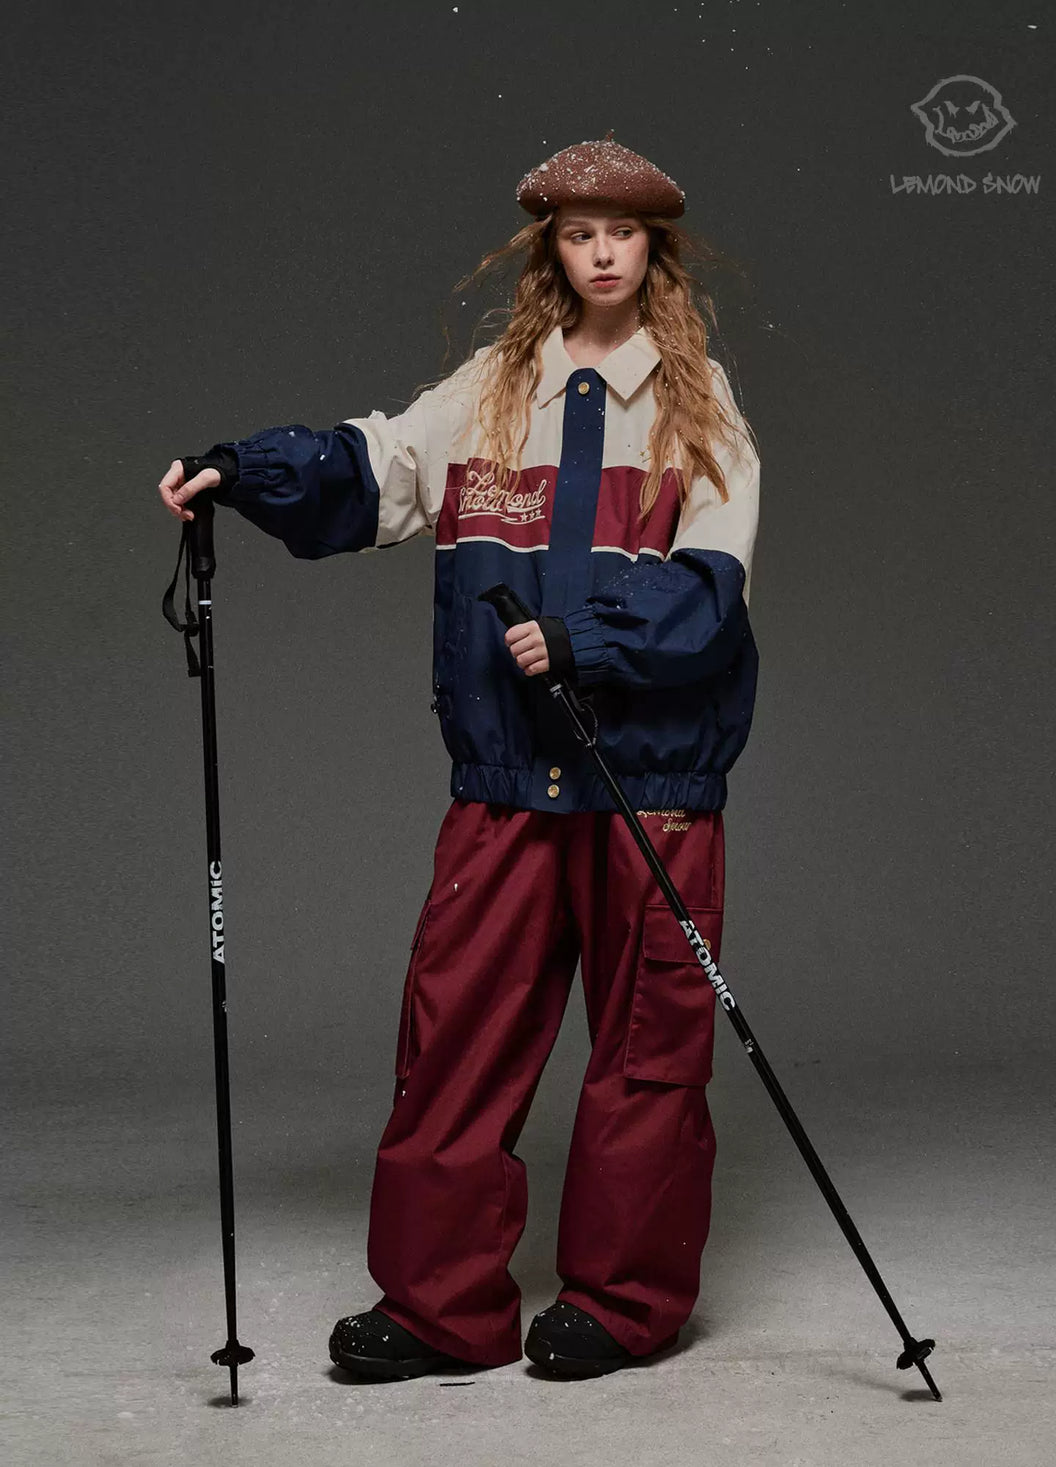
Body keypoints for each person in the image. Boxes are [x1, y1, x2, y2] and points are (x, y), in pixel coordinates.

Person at [157, 133, 761, 1382]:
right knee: (453, 1042)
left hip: (646, 791)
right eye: (577, 233)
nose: (600, 252)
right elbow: (369, 471)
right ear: (549, 247)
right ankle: (439, 1311)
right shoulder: (488, 392)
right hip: (503, 785)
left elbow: (711, 599)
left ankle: (621, 1302)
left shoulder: (704, 415)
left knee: (647, 1055)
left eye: (624, 232)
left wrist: (586, 634)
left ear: (655, 251)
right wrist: (242, 472)